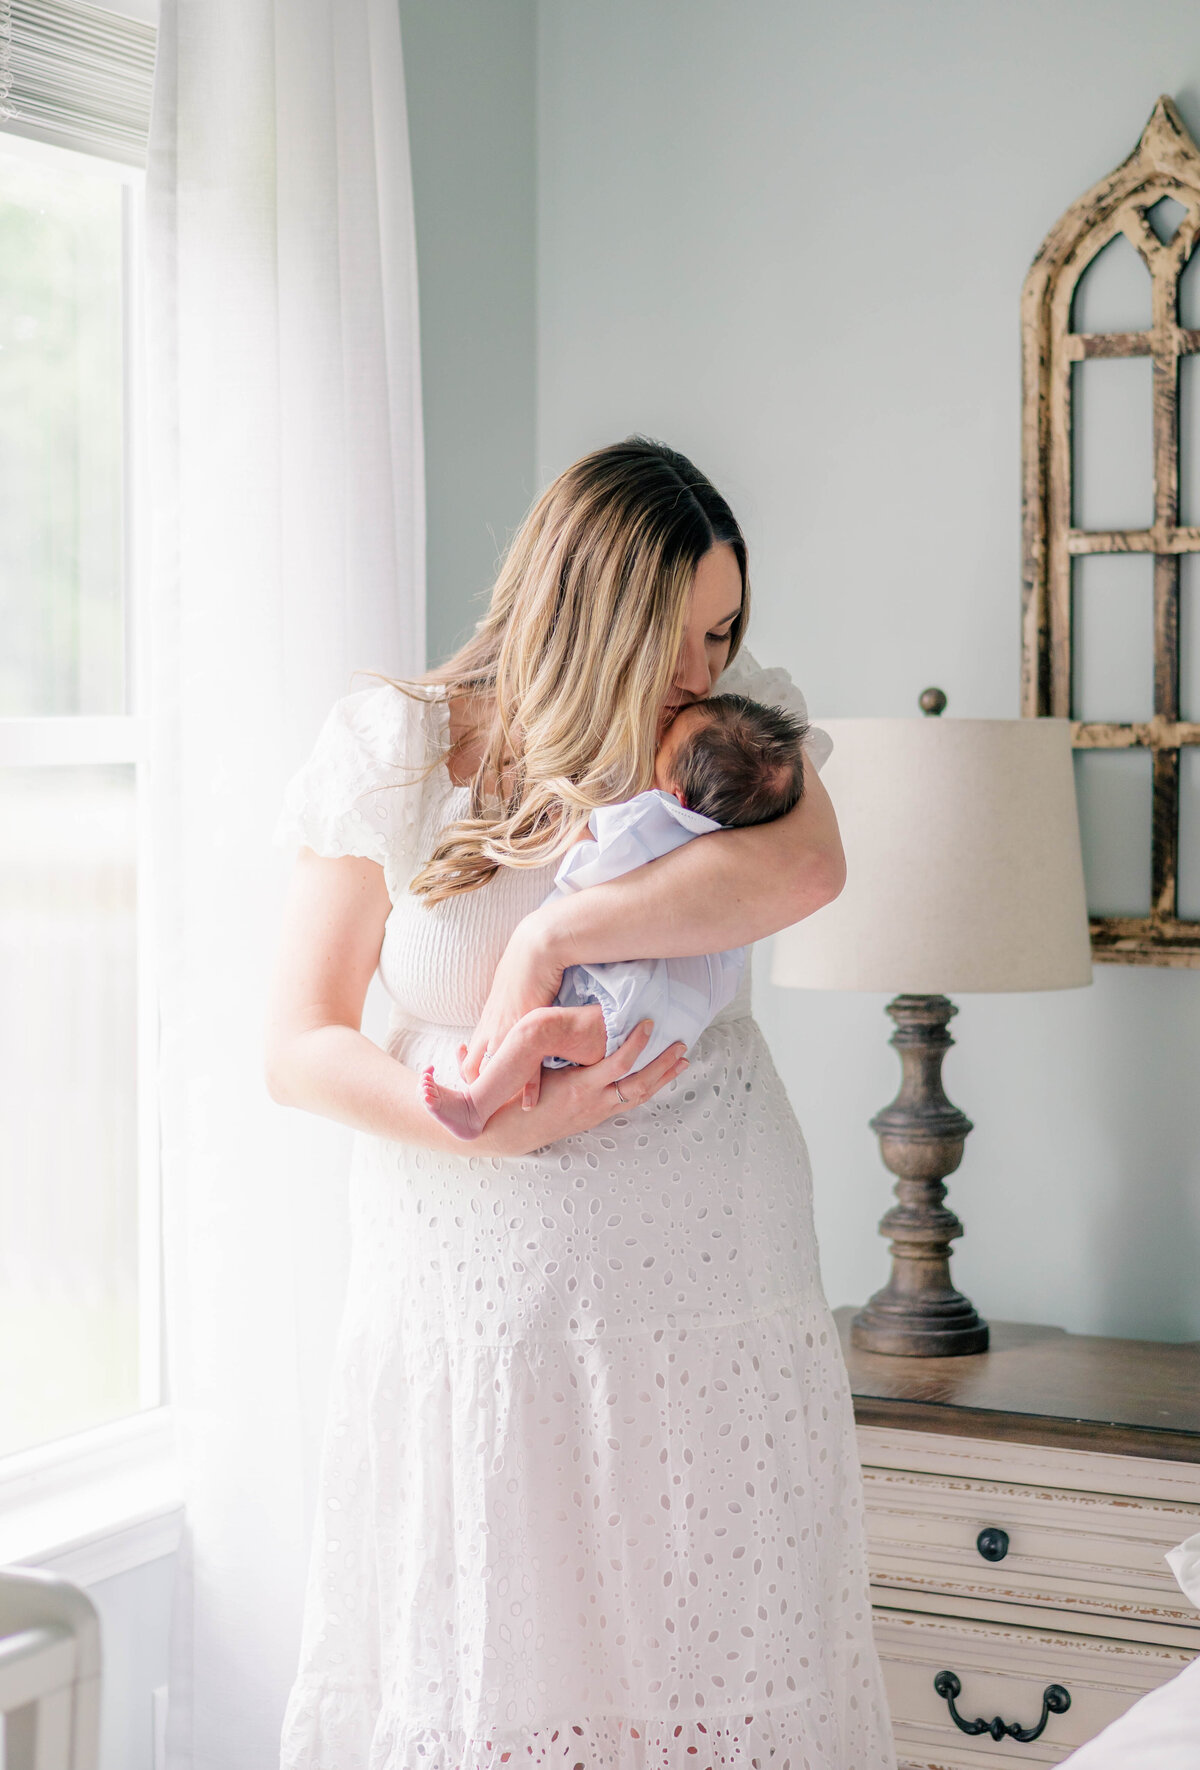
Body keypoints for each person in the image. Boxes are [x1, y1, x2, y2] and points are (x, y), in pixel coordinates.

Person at [266, 436, 896, 1770]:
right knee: (494, 1664)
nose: (705, 671)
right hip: (475, 1310)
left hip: (705, 1299)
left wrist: (549, 942)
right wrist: (464, 1106)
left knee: (705, 1665)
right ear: (580, 616)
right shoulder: (398, 749)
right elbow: (300, 1043)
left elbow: (810, 870)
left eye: (723, 633)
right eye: (677, 640)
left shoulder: (720, 736)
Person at [420, 693, 810, 1141]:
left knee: (533, 1031)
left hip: (625, 1017)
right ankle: (496, 1078)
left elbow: (594, 871)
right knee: (536, 1034)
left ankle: (474, 1105)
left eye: (659, 751)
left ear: (676, 796)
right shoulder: (741, 845)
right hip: (654, 1022)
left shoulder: (655, 822)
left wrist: (572, 826)